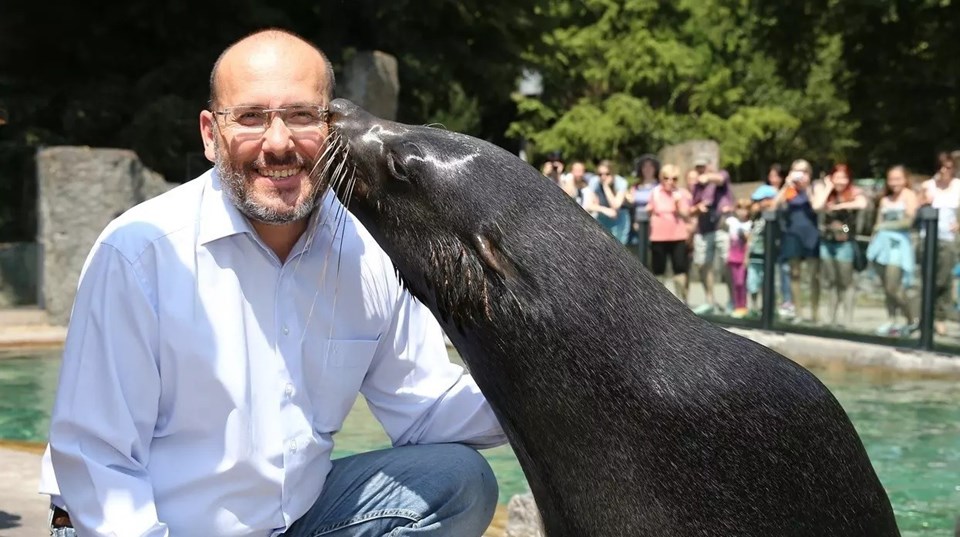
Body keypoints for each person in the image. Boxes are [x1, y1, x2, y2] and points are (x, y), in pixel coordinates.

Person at [38, 29, 506, 537]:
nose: (278, 142)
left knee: (458, 482)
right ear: (210, 135)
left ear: (333, 129)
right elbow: (97, 463)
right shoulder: (139, 253)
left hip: (292, 521)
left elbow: (427, 406)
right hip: (147, 523)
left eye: (302, 116)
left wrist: (567, 393)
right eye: (251, 117)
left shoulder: (367, 249)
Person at [811, 164, 867, 327]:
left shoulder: (854, 192)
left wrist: (838, 206)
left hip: (845, 242)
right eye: (837, 177)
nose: (840, 181)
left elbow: (862, 204)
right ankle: (831, 318)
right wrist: (828, 187)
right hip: (827, 242)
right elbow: (816, 206)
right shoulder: (827, 192)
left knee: (846, 282)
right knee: (830, 281)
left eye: (844, 177)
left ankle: (847, 319)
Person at [865, 165, 919, 336]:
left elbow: (908, 222)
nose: (894, 182)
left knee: (893, 286)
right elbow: (877, 224)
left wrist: (885, 225)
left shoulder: (909, 196)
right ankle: (891, 320)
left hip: (898, 245)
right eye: (891, 179)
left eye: (898, 178)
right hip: (881, 246)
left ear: (905, 179)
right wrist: (872, 244)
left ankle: (912, 320)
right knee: (886, 287)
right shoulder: (885, 200)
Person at [917, 151, 960, 336]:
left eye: (948, 167)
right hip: (927, 236)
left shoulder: (958, 186)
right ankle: (925, 317)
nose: (944, 171)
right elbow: (915, 208)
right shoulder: (928, 185)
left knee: (943, 278)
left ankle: (939, 316)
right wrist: (924, 201)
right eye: (941, 167)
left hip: (947, 238)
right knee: (928, 277)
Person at [775, 159, 821, 323]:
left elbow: (817, 205)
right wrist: (787, 184)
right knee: (795, 274)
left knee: (813, 276)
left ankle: (815, 314)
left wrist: (806, 187)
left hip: (811, 234)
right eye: (797, 171)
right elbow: (775, 205)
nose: (800, 175)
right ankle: (799, 313)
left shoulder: (815, 187)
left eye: (804, 171)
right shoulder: (790, 190)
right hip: (792, 233)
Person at [689, 155, 733, 314]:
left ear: (710, 165)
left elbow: (720, 179)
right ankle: (710, 302)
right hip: (703, 229)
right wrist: (698, 208)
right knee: (703, 265)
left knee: (728, 265)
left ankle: (732, 302)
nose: (701, 170)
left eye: (703, 166)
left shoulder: (721, 175)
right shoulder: (696, 186)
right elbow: (691, 209)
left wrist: (706, 177)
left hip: (721, 228)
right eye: (698, 167)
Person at [645, 164, 691, 303]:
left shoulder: (681, 194)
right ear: (661, 178)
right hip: (659, 236)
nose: (670, 182)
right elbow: (649, 209)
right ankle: (660, 302)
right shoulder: (655, 192)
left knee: (680, 268)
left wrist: (677, 205)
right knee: (658, 270)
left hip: (677, 235)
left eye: (674, 179)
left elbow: (686, 214)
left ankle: (682, 302)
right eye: (666, 178)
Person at [746, 184, 779, 314]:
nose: (758, 203)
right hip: (754, 255)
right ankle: (753, 307)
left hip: (768, 256)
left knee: (769, 284)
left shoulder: (773, 216)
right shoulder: (756, 216)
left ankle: (770, 309)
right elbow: (751, 235)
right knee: (752, 282)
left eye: (761, 200)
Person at [586, 159, 631, 244]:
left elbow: (616, 206)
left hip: (620, 219)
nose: (603, 177)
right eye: (600, 174)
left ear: (612, 173)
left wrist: (606, 187)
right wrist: (604, 210)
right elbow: (589, 205)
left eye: (607, 174)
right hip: (602, 218)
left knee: (618, 249)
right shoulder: (594, 181)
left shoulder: (621, 182)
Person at [724, 199, 753, 317]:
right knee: (735, 282)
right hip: (733, 255)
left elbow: (749, 242)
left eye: (745, 209)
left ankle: (743, 305)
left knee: (742, 282)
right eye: (740, 208)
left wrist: (746, 258)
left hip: (742, 255)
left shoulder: (749, 224)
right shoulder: (732, 222)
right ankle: (736, 305)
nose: (742, 212)